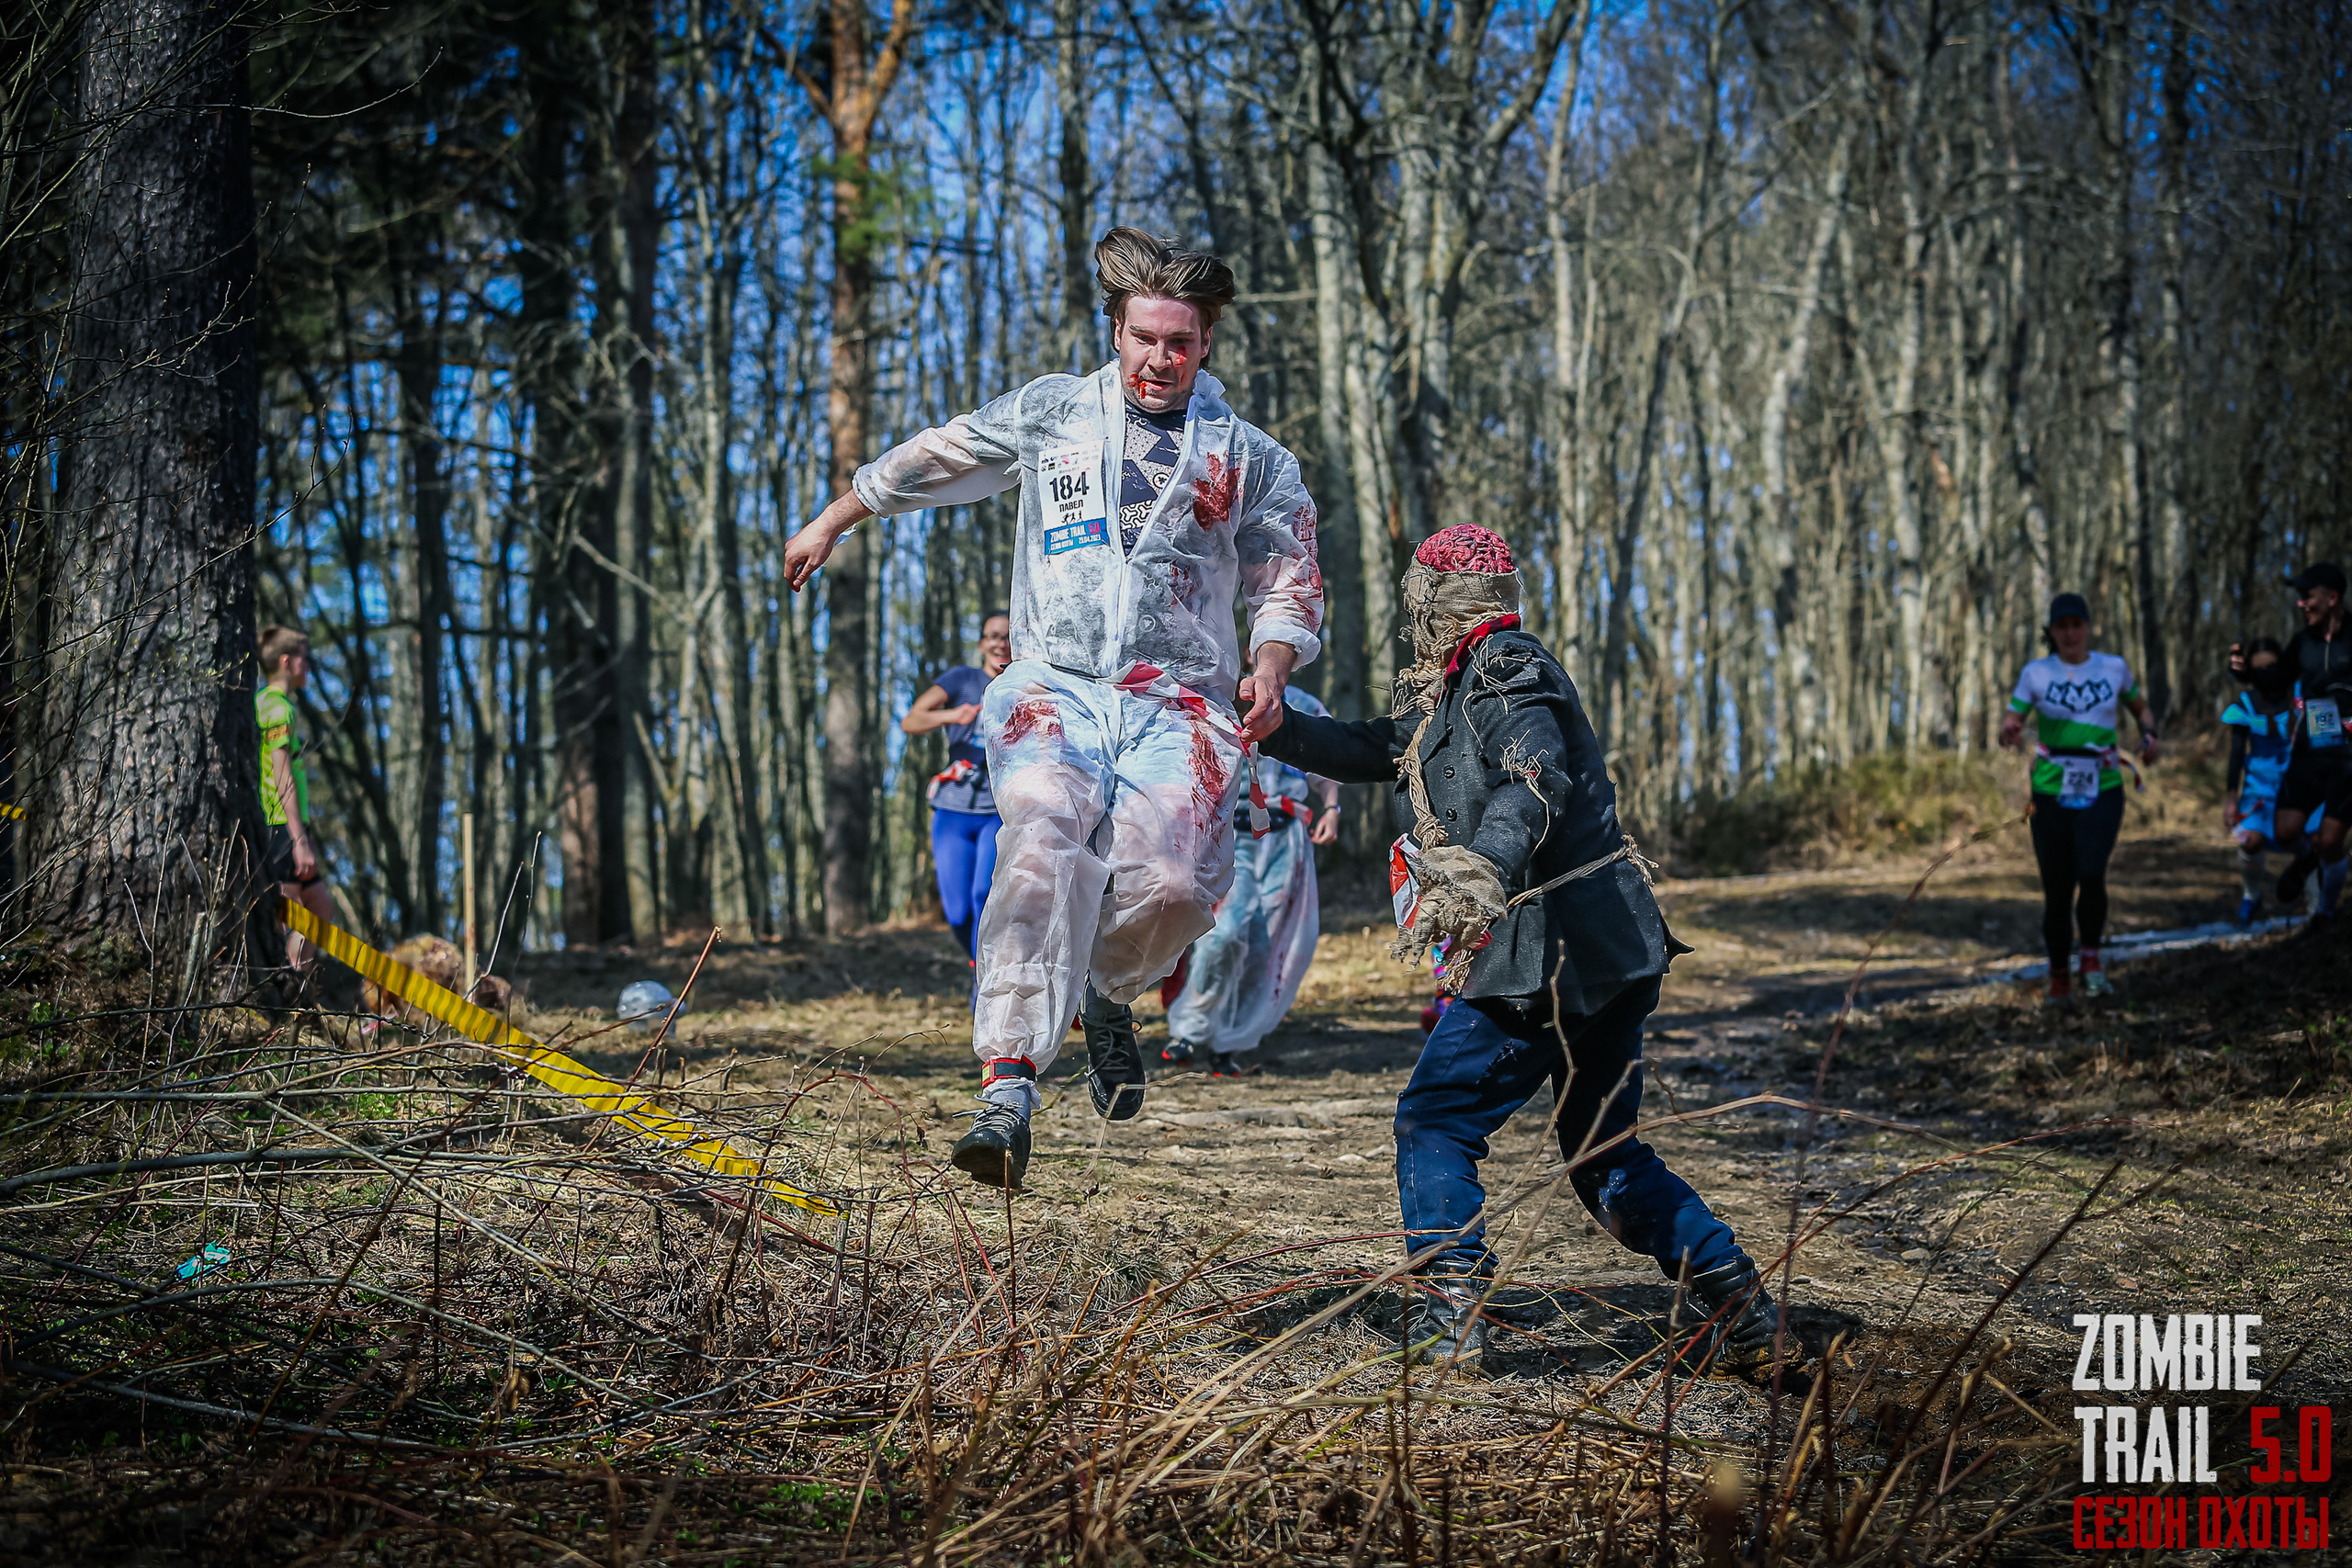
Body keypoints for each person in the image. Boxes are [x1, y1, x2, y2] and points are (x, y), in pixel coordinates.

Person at [784, 228, 1324, 1189]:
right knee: (1039, 840)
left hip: (1179, 701)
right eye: (1145, 338)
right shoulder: (1053, 417)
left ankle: (1107, 992)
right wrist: (836, 518)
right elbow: (941, 453)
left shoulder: (1248, 458)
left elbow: (1288, 573)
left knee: (1176, 890)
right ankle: (1008, 1080)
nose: (1160, 360)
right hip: (1054, 683)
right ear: (1115, 331)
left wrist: (1273, 661)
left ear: (1205, 348)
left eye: (1181, 344)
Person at [1256, 525, 1793, 1377]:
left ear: (1439, 601)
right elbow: (1371, 746)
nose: (1410, 612)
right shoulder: (1455, 689)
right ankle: (1743, 1308)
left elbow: (1533, 777)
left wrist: (1482, 869)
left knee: (1435, 1120)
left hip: (1548, 954)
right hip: (1604, 953)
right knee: (1601, 1151)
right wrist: (1275, 726)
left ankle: (1454, 1313)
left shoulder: (1509, 670)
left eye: (1417, 595)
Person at [1162, 687, 1341, 1075]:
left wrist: (1331, 807)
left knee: (1266, 940)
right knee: (1224, 931)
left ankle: (1231, 1041)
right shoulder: (1218, 700)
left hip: (1283, 836)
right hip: (1232, 835)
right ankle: (1189, 1030)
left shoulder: (1306, 705)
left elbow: (1326, 763)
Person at [1997, 592, 2159, 1003]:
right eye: (2061, 626)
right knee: (2057, 887)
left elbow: (2141, 708)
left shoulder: (2113, 668)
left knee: (2091, 872)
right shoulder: (2037, 673)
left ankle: (2090, 962)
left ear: (2088, 627)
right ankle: (2058, 977)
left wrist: (2149, 735)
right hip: (2050, 790)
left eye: (2076, 624)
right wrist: (2010, 731)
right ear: (2051, 631)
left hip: (2103, 787)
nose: (2070, 633)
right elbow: (2012, 720)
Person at [2242, 563, 2352, 920]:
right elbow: (2277, 681)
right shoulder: (2302, 642)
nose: (2301, 604)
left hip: (2348, 756)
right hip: (2311, 746)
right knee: (2286, 831)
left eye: (2307, 596)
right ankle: (2306, 860)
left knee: (2331, 841)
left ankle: (2324, 913)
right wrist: (2248, 673)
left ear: (2332, 598)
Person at [902, 613, 1012, 960]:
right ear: (982, 644)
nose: (1000, 643)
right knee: (958, 913)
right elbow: (911, 719)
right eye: (993, 636)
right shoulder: (962, 679)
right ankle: (977, 964)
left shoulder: (1025, 684)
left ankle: (986, 983)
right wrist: (952, 716)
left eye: (1008, 637)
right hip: (954, 808)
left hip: (999, 809)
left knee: (985, 894)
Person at [257, 626, 336, 987]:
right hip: (278, 827)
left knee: (320, 907)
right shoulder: (276, 708)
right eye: (306, 658)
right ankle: (292, 992)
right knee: (294, 916)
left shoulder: (272, 704)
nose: (310, 666)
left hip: (291, 827)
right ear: (287, 661)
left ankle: (297, 984)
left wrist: (306, 833)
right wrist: (297, 839)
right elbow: (281, 774)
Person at [2221, 638, 2318, 928]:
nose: (2267, 673)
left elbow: (2322, 736)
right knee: (2250, 841)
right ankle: (2252, 896)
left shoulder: (2302, 695)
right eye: (2259, 668)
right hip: (2258, 789)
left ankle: (2316, 906)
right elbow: (2236, 754)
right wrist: (2230, 798)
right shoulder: (2244, 705)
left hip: (2300, 782)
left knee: (2310, 840)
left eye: (2272, 666)